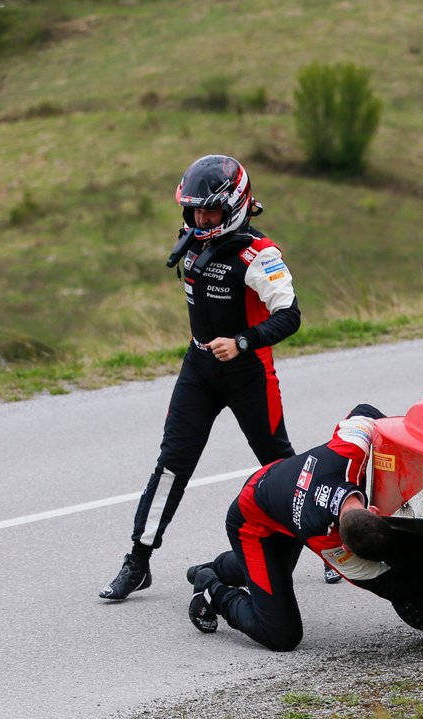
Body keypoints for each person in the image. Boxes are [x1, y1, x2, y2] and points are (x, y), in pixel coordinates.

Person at [100, 154, 325, 600]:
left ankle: (326, 543)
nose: (201, 218)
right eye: (194, 210)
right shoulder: (193, 237)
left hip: (247, 373)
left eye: (211, 211)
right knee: (171, 464)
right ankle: (138, 561)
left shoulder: (261, 255)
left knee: (278, 465)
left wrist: (241, 342)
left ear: (236, 205)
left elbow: (291, 316)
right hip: (199, 368)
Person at [186, 405, 423, 651]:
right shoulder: (325, 541)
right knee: (281, 634)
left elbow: (365, 411)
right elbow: (392, 586)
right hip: (252, 521)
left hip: (285, 496)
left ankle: (207, 569)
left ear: (374, 513)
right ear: (345, 545)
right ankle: (211, 588)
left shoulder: (350, 450)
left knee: (269, 570)